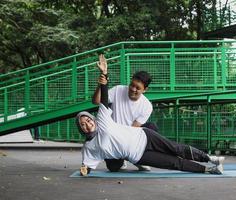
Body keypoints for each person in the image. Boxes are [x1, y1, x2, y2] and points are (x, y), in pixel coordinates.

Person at [77, 64, 225, 176]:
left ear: (144, 89)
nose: (133, 89)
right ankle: (209, 170)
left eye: (88, 121)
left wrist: (104, 76)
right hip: (137, 155)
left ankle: (210, 158)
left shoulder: (104, 121)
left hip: (142, 136)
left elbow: (103, 101)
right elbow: (87, 166)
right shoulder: (90, 146)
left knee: (175, 148)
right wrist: (85, 170)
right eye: (82, 124)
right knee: (172, 163)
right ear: (81, 129)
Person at [92, 54, 156, 171]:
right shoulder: (118, 90)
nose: (133, 89)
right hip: (113, 137)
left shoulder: (147, 106)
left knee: (151, 128)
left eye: (138, 88)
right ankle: (123, 160)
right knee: (114, 167)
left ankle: (139, 158)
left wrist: (129, 150)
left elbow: (134, 130)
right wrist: (101, 84)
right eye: (132, 85)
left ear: (145, 90)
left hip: (130, 137)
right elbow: (96, 101)